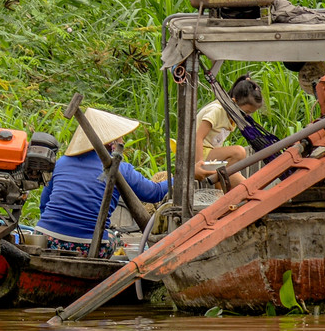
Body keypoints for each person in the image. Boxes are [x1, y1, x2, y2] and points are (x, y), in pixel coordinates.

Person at [38, 109, 171, 242]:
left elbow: (44, 204)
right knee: (115, 239)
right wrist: (177, 178)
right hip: (86, 243)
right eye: (119, 137)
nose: (123, 141)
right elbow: (154, 193)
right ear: (111, 143)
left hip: (45, 237)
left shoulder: (62, 162)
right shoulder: (120, 169)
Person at [193, 76, 263, 182]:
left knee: (246, 186)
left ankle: (220, 185)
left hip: (210, 154)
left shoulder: (233, 115)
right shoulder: (217, 110)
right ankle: (218, 183)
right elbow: (198, 137)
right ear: (233, 102)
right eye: (246, 112)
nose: (247, 116)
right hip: (197, 153)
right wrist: (198, 165)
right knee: (239, 152)